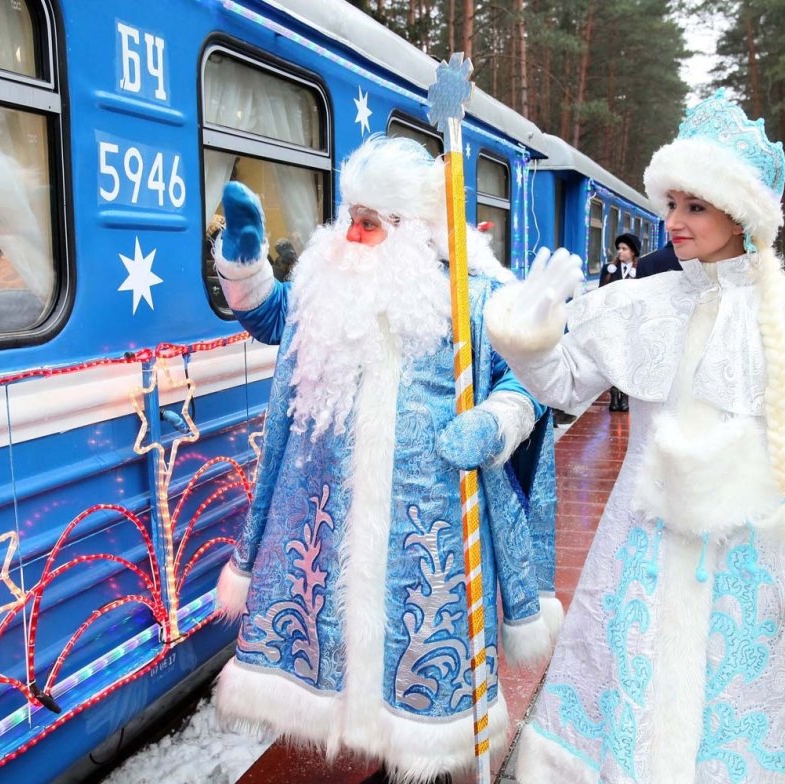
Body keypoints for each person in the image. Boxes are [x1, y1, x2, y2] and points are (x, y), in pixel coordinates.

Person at [485, 90, 785, 783]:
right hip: (637, 553)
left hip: (750, 570)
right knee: (626, 711)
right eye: (671, 203)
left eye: (693, 206)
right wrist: (530, 334)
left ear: (744, 215)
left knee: (734, 731)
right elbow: (564, 385)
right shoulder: (639, 303)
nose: (672, 221)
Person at [211, 136, 560, 783]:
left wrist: (493, 422)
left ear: (410, 230)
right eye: (350, 218)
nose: (351, 235)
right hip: (336, 519)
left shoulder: (472, 298)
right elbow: (273, 319)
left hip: (432, 531)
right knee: (352, 655)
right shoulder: (329, 287)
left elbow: (529, 379)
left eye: (368, 223)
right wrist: (245, 267)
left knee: (425, 669)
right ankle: (384, 756)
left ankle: (435, 765)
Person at [599, 233, 641, 411]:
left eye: (624, 249)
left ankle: (625, 397)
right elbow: (601, 295)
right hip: (613, 323)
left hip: (632, 323)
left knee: (628, 360)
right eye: (619, 249)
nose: (620, 252)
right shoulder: (609, 269)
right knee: (613, 360)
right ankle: (614, 396)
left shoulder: (641, 269)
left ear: (633, 252)